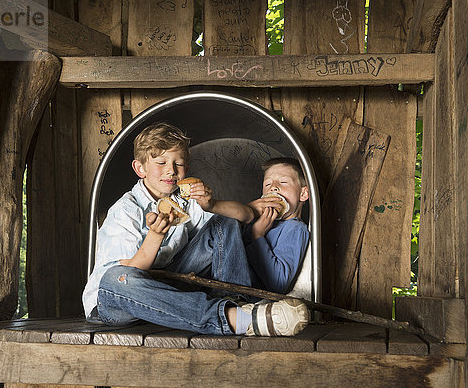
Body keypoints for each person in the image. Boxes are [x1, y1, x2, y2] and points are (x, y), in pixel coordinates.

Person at [82, 122, 308, 336]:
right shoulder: (126, 209)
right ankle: (232, 319)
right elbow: (133, 270)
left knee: (223, 221)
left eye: (178, 164)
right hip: (120, 299)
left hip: (168, 292)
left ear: (186, 168)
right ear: (139, 168)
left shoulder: (185, 201)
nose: (170, 171)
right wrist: (156, 235)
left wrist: (212, 205)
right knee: (115, 278)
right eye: (161, 163)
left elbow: (244, 217)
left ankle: (239, 305)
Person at [192, 157, 310, 294]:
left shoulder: (295, 228)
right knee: (225, 221)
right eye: (267, 184)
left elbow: (279, 283)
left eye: (283, 182)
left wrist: (257, 236)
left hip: (245, 294)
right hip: (213, 282)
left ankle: (229, 298)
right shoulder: (259, 220)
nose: (274, 187)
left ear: (303, 193)